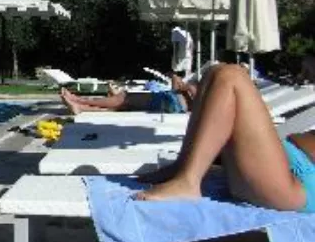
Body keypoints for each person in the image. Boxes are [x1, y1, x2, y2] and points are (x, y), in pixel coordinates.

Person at [135, 63, 315, 214]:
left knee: (231, 77)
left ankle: (189, 181)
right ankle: (183, 167)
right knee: (213, 73)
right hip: (290, 161)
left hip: (302, 187)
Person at [60, 74, 197, 115]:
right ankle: (80, 107)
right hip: (173, 105)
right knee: (120, 107)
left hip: (170, 101)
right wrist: (182, 87)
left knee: (122, 98)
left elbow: (192, 90)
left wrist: (186, 86)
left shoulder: (208, 87)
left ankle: (79, 100)